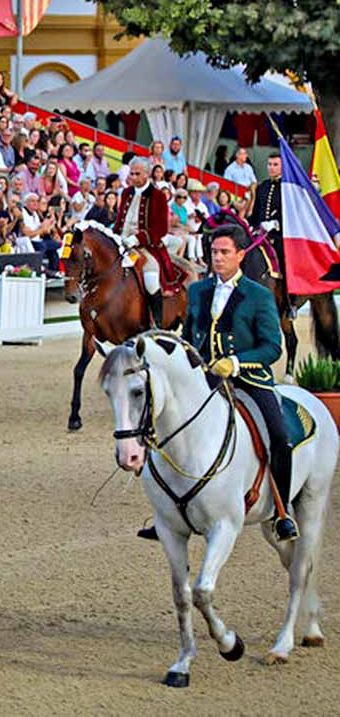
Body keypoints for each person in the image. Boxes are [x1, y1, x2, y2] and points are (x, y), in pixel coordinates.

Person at [175, 223, 295, 542]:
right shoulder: (198, 290)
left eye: (224, 252)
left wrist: (237, 362)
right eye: (214, 252)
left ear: (241, 255)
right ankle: (171, 507)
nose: (217, 258)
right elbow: (189, 337)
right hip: (207, 379)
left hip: (249, 381)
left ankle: (283, 512)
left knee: (279, 437)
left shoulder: (258, 295)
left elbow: (272, 347)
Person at [114, 157, 179, 328]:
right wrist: (113, 234)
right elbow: (120, 219)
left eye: (137, 174)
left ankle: (156, 322)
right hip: (121, 242)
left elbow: (160, 229)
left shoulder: (157, 196)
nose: (133, 177)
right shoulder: (126, 192)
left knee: (151, 281)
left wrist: (136, 239)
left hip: (146, 248)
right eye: (131, 173)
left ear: (147, 174)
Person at [247, 153, 284, 282]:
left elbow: (292, 213)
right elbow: (257, 211)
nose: (271, 168)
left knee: (283, 258)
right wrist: (249, 224)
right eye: (269, 164)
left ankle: (288, 294)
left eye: (275, 165)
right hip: (260, 234)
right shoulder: (263, 186)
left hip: (279, 235)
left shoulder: (287, 187)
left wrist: (276, 223)